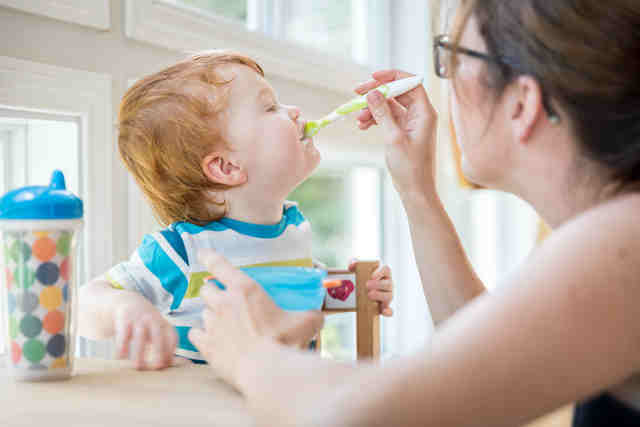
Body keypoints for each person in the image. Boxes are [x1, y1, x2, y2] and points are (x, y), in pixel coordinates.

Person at [188, 0, 640, 425]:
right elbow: (478, 365)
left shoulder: (627, 242)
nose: (443, 81)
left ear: (521, 104)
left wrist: (249, 354)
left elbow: (358, 414)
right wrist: (415, 184)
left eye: (455, 58)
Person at [77, 51, 394, 369]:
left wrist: (359, 292)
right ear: (227, 166)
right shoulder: (183, 252)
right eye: (270, 107)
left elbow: (299, 298)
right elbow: (83, 306)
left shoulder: (293, 229)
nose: (295, 112)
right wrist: (124, 308)